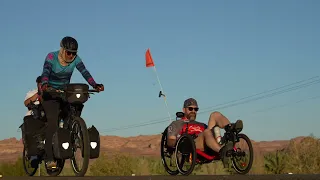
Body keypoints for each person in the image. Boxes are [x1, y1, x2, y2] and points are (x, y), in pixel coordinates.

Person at [39, 36, 104, 169]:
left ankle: (71, 134)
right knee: (53, 122)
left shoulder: (76, 60)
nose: (71, 56)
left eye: (74, 53)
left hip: (64, 92)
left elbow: (85, 72)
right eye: (68, 52)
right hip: (50, 93)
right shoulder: (52, 57)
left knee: (74, 111)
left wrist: (95, 84)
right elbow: (46, 71)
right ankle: (49, 158)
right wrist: (45, 83)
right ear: (62, 50)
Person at [166, 98, 243, 168]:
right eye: (190, 109)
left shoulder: (201, 124)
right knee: (206, 132)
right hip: (191, 144)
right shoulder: (177, 123)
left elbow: (209, 132)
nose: (193, 111)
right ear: (184, 110)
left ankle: (231, 130)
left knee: (215, 115)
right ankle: (222, 152)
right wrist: (177, 146)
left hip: (209, 141)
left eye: (196, 109)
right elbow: (171, 141)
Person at [23, 76, 42, 168]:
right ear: (37, 84)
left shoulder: (51, 93)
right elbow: (26, 102)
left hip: (46, 115)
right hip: (33, 115)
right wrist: (37, 95)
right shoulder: (32, 92)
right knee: (31, 131)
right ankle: (33, 156)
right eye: (40, 83)